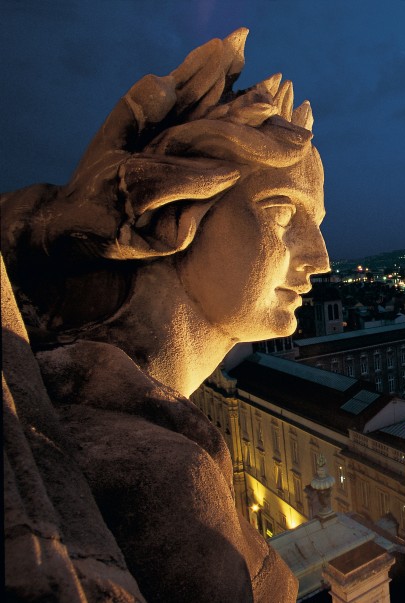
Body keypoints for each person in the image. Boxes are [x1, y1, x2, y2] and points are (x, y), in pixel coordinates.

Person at [2, 28, 328, 602]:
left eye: (317, 224)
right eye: (283, 213)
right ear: (177, 211)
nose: (320, 258)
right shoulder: (168, 484)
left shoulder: (75, 390)